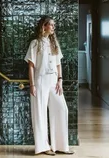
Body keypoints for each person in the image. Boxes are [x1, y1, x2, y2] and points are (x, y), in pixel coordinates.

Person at [24, 15, 74, 156]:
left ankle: (61, 145)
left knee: (62, 109)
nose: (53, 27)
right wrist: (32, 85)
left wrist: (60, 80)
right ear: (44, 26)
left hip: (54, 82)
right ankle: (43, 147)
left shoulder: (54, 44)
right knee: (39, 114)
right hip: (40, 82)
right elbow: (31, 66)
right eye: (51, 25)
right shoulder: (35, 43)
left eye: (53, 25)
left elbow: (58, 63)